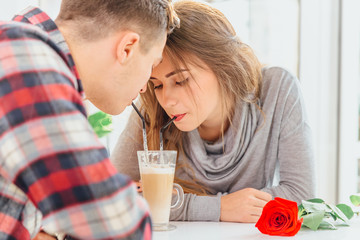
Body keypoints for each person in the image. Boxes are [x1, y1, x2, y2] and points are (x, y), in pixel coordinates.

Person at [111, 0, 315, 223]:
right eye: (157, 84)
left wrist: (170, 202)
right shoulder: (152, 107)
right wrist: (220, 208)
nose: (166, 100)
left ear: (223, 65)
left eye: (181, 80)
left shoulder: (277, 90)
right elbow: (113, 197)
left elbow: (301, 198)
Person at [0, 0, 179, 239]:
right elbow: (120, 227)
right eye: (152, 65)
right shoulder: (25, 57)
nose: (146, 88)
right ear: (127, 48)